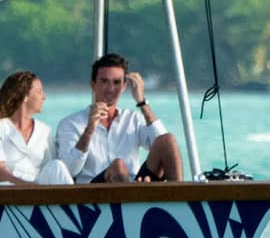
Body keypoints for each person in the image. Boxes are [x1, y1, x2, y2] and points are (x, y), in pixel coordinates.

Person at [54, 52, 183, 182]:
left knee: (168, 140)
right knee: (118, 166)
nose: (110, 89)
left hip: (132, 184)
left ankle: (181, 192)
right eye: (104, 81)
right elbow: (69, 169)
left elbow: (162, 144)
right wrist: (89, 130)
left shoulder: (133, 119)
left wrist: (142, 102)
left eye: (116, 82)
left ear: (124, 86)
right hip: (93, 190)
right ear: (93, 84)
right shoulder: (70, 124)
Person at [0, 70, 74, 186]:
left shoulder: (44, 130)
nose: (44, 97)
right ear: (24, 96)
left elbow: (50, 166)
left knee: (57, 165)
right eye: (39, 92)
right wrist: (23, 184)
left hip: (35, 187)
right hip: (5, 187)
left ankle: (76, 197)